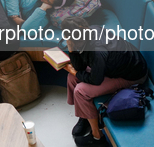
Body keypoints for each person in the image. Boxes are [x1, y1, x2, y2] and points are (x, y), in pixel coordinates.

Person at [62, 17, 148, 146]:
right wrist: (71, 49)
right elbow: (80, 67)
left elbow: (95, 80)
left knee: (80, 91)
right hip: (110, 68)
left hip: (131, 76)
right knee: (71, 78)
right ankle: (85, 116)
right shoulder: (88, 33)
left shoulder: (96, 50)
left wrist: (75, 72)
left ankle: (97, 137)